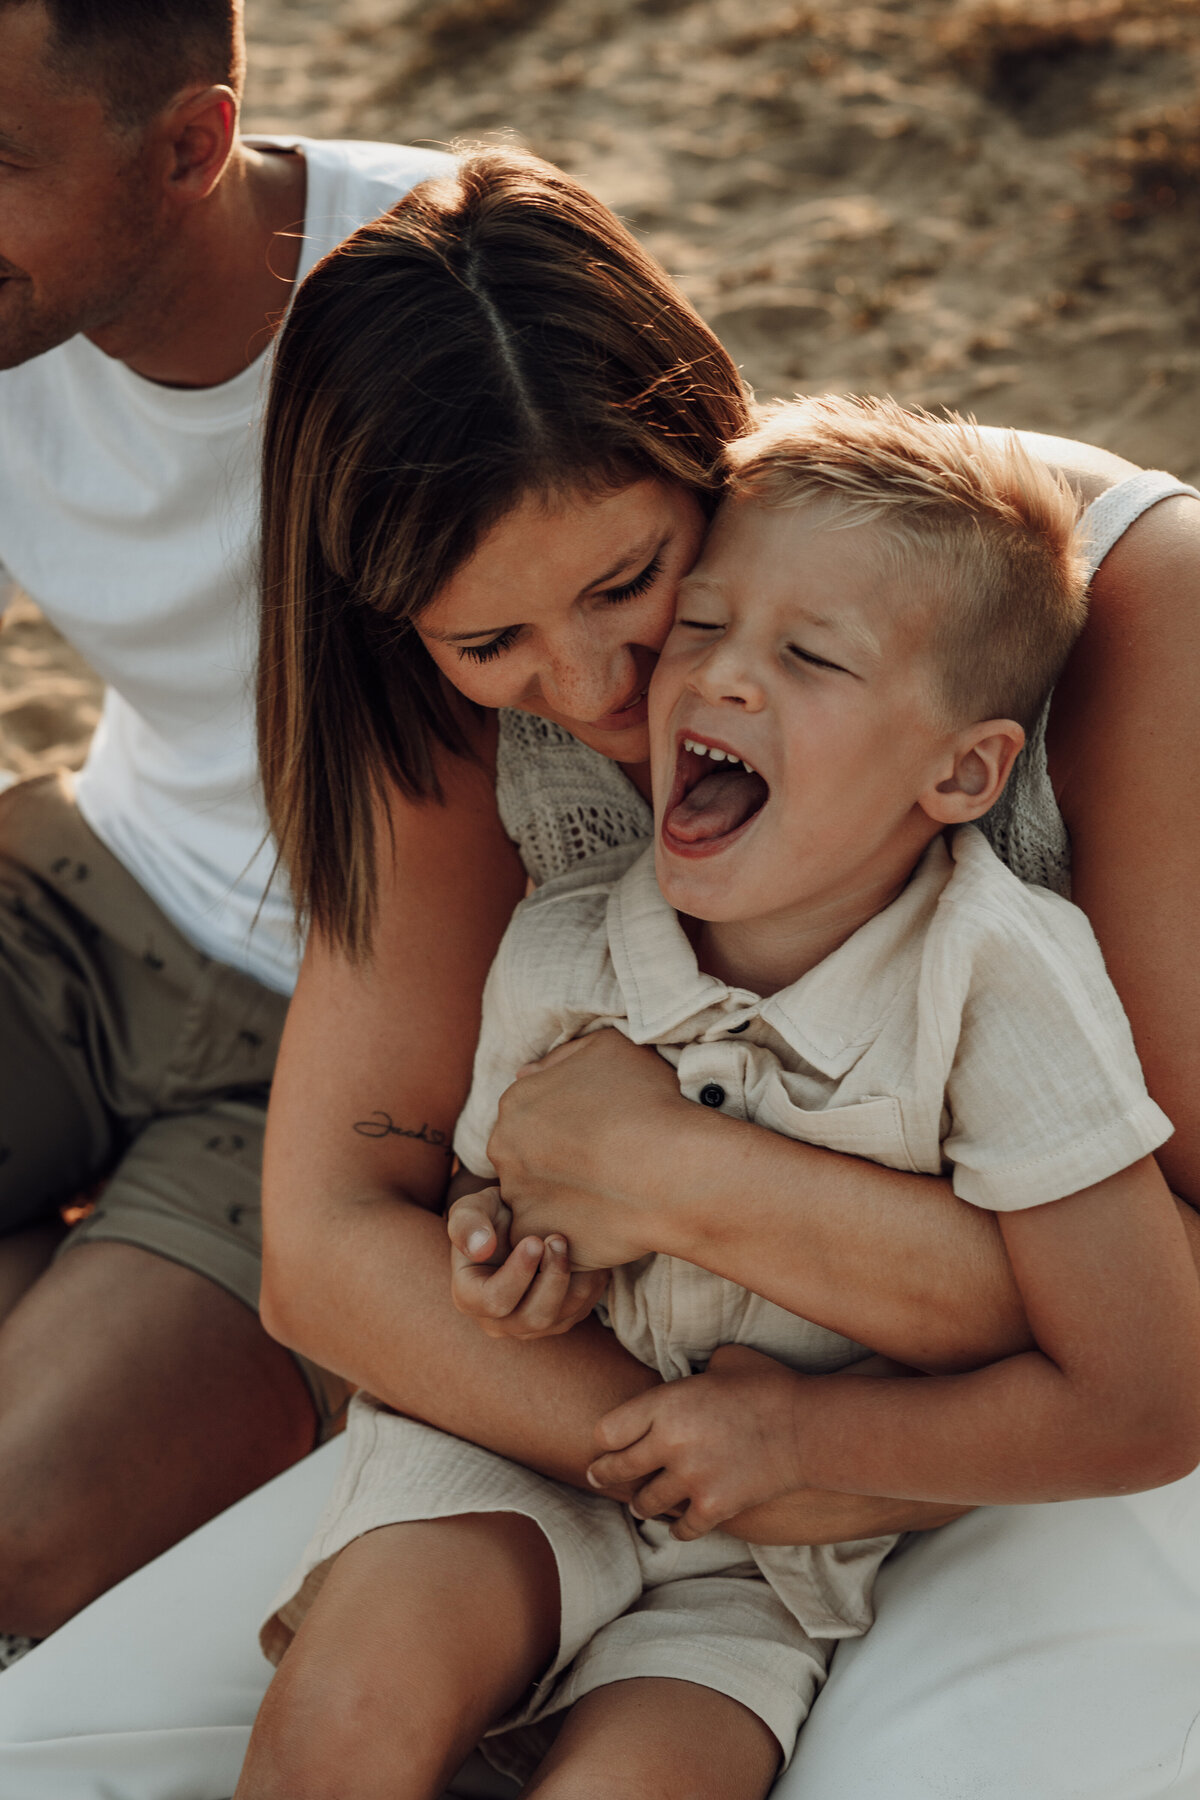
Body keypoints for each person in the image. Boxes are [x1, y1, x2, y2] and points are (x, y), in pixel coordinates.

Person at [0, 148, 1198, 1800]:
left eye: (636, 588)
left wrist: (674, 1182)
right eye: (489, 647)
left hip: (1008, 1454)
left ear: (707, 437)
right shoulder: (481, 730)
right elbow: (341, 1244)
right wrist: (637, 1402)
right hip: (666, 1433)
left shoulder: (1108, 626)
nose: (588, 688)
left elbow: (1160, 1327)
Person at [241, 399, 1200, 1799]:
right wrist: (508, 1260)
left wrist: (800, 1442)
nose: (716, 679)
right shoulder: (566, 937)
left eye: (807, 656)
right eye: (700, 627)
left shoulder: (1002, 982)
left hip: (776, 1544)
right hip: (511, 1449)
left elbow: (1152, 1395)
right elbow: (476, 1200)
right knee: (347, 1714)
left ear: (967, 770)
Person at [0, 0, 453, 1658]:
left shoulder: (460, 291)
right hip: (90, 880)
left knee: (24, 1539)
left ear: (192, 146)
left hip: (348, 1012)